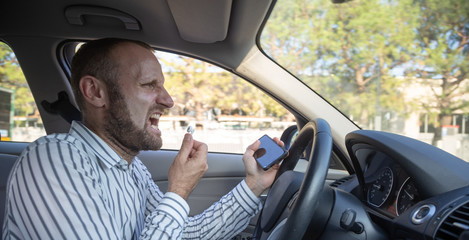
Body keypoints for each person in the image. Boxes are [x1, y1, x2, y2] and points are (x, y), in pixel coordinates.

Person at [2, 38, 283, 239]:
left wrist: (254, 184)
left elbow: (184, 233)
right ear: (95, 92)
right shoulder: (54, 160)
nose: (169, 100)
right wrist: (178, 190)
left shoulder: (131, 167)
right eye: (149, 85)